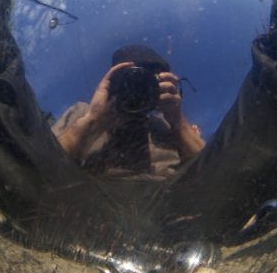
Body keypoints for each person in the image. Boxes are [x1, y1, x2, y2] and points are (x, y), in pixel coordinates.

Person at [54, 45, 205, 179]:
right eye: (131, 80)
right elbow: (46, 166)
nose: (137, 88)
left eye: (147, 82)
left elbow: (209, 171)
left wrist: (177, 122)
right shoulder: (83, 113)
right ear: (113, 82)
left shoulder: (168, 124)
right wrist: (93, 120)